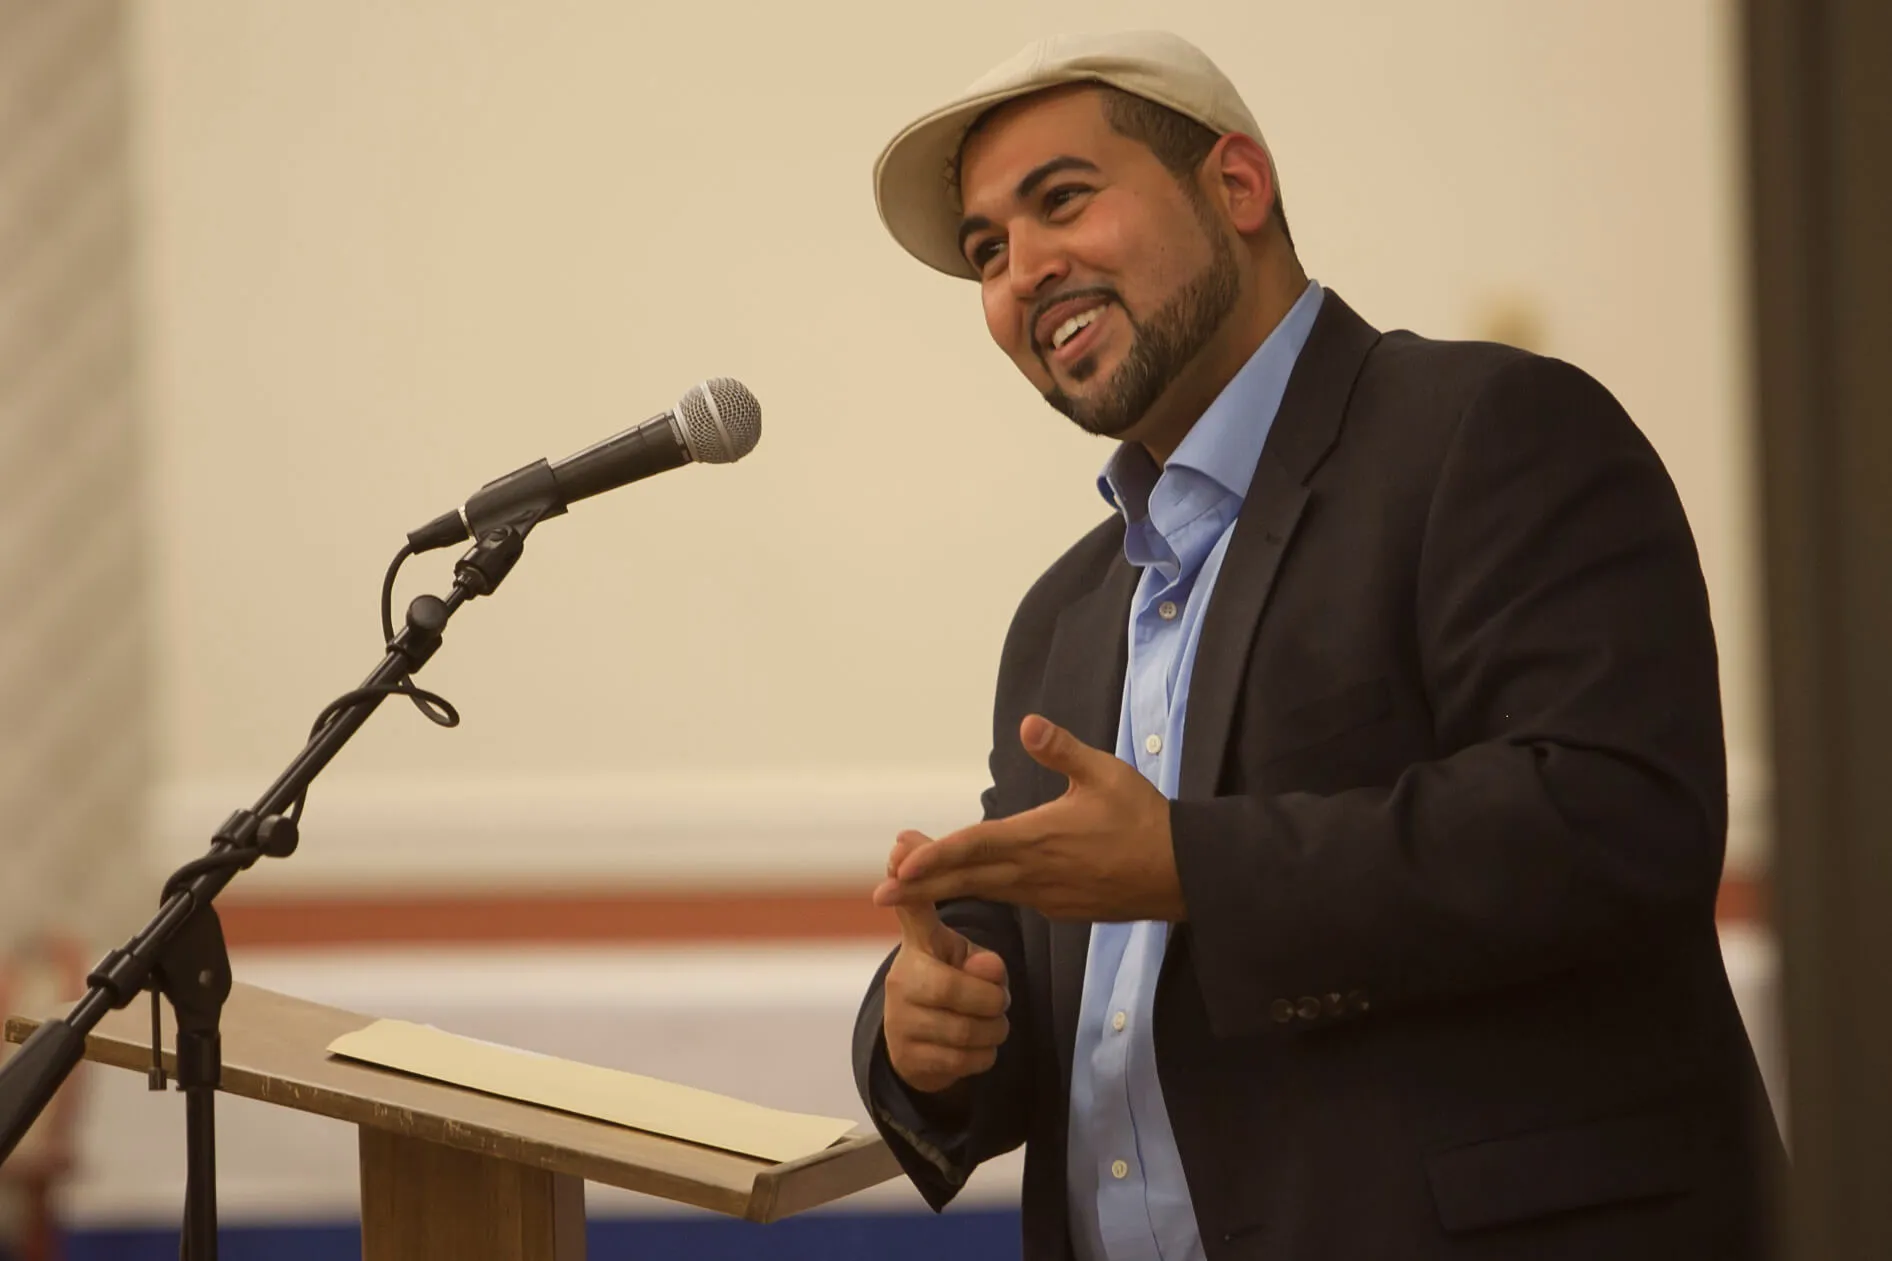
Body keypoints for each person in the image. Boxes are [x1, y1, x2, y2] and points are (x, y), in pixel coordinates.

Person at [852, 29, 1786, 1261]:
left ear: (1235, 186)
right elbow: (1039, 960)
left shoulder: (1487, 432)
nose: (1023, 269)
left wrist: (1192, 863)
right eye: (986, 252)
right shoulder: (1064, 615)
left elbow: (1614, 820)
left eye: (1061, 201)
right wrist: (930, 1029)